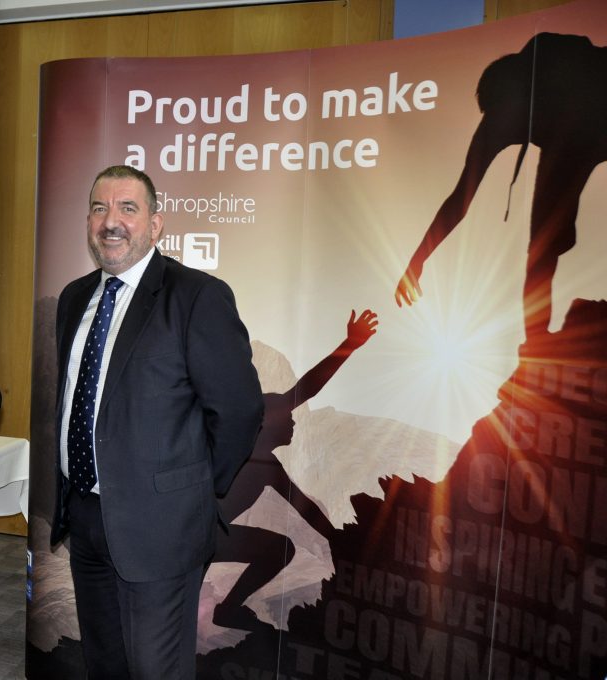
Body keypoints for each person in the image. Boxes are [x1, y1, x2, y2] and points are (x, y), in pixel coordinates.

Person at [50, 164, 263, 679]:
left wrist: (186, 490)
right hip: (86, 516)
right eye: (99, 208)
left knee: (155, 670)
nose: (111, 221)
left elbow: (238, 411)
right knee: (104, 663)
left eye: (128, 208)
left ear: (156, 224)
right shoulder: (75, 298)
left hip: (160, 529)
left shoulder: (195, 296)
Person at [394, 33, 607, 347]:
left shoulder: (551, 63)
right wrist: (418, 260)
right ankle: (537, 344)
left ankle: (537, 343)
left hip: (582, 120)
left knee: (542, 247)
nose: (506, 130)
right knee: (541, 248)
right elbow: (460, 200)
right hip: (571, 137)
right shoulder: (500, 119)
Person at [213, 308, 378, 632]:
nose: (292, 420)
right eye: (285, 416)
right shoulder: (238, 449)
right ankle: (226, 609)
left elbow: (306, 509)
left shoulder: (264, 465)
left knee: (279, 548)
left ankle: (227, 610)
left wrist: (346, 538)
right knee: (277, 549)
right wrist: (350, 344)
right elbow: (305, 390)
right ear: (265, 423)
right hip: (187, 537)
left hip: (203, 537)